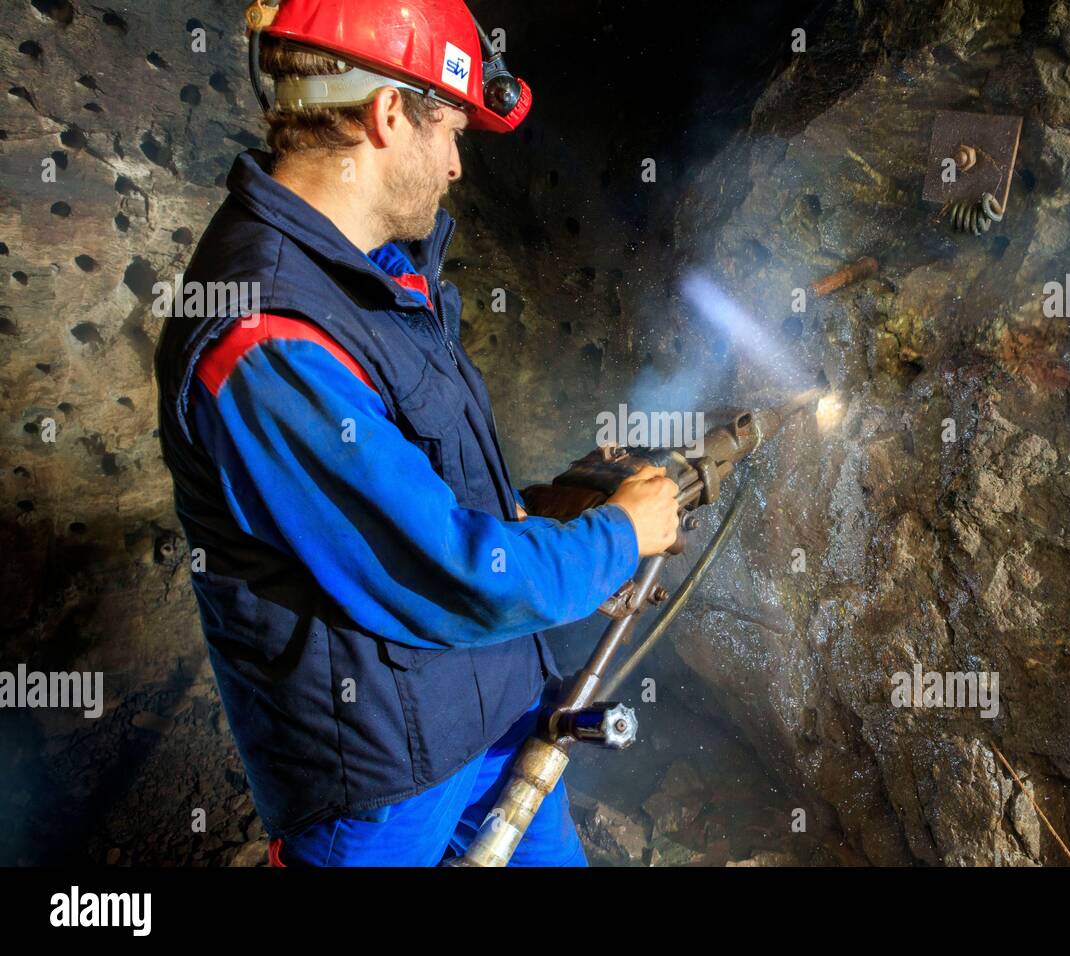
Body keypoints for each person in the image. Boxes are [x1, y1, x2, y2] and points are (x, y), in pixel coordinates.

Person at [153, 0, 678, 866]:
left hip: (496, 708)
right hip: (379, 783)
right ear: (389, 113)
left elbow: (419, 484)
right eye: (452, 130)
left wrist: (541, 511)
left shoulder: (377, 274)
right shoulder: (265, 338)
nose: (458, 165)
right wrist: (616, 540)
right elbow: (437, 571)